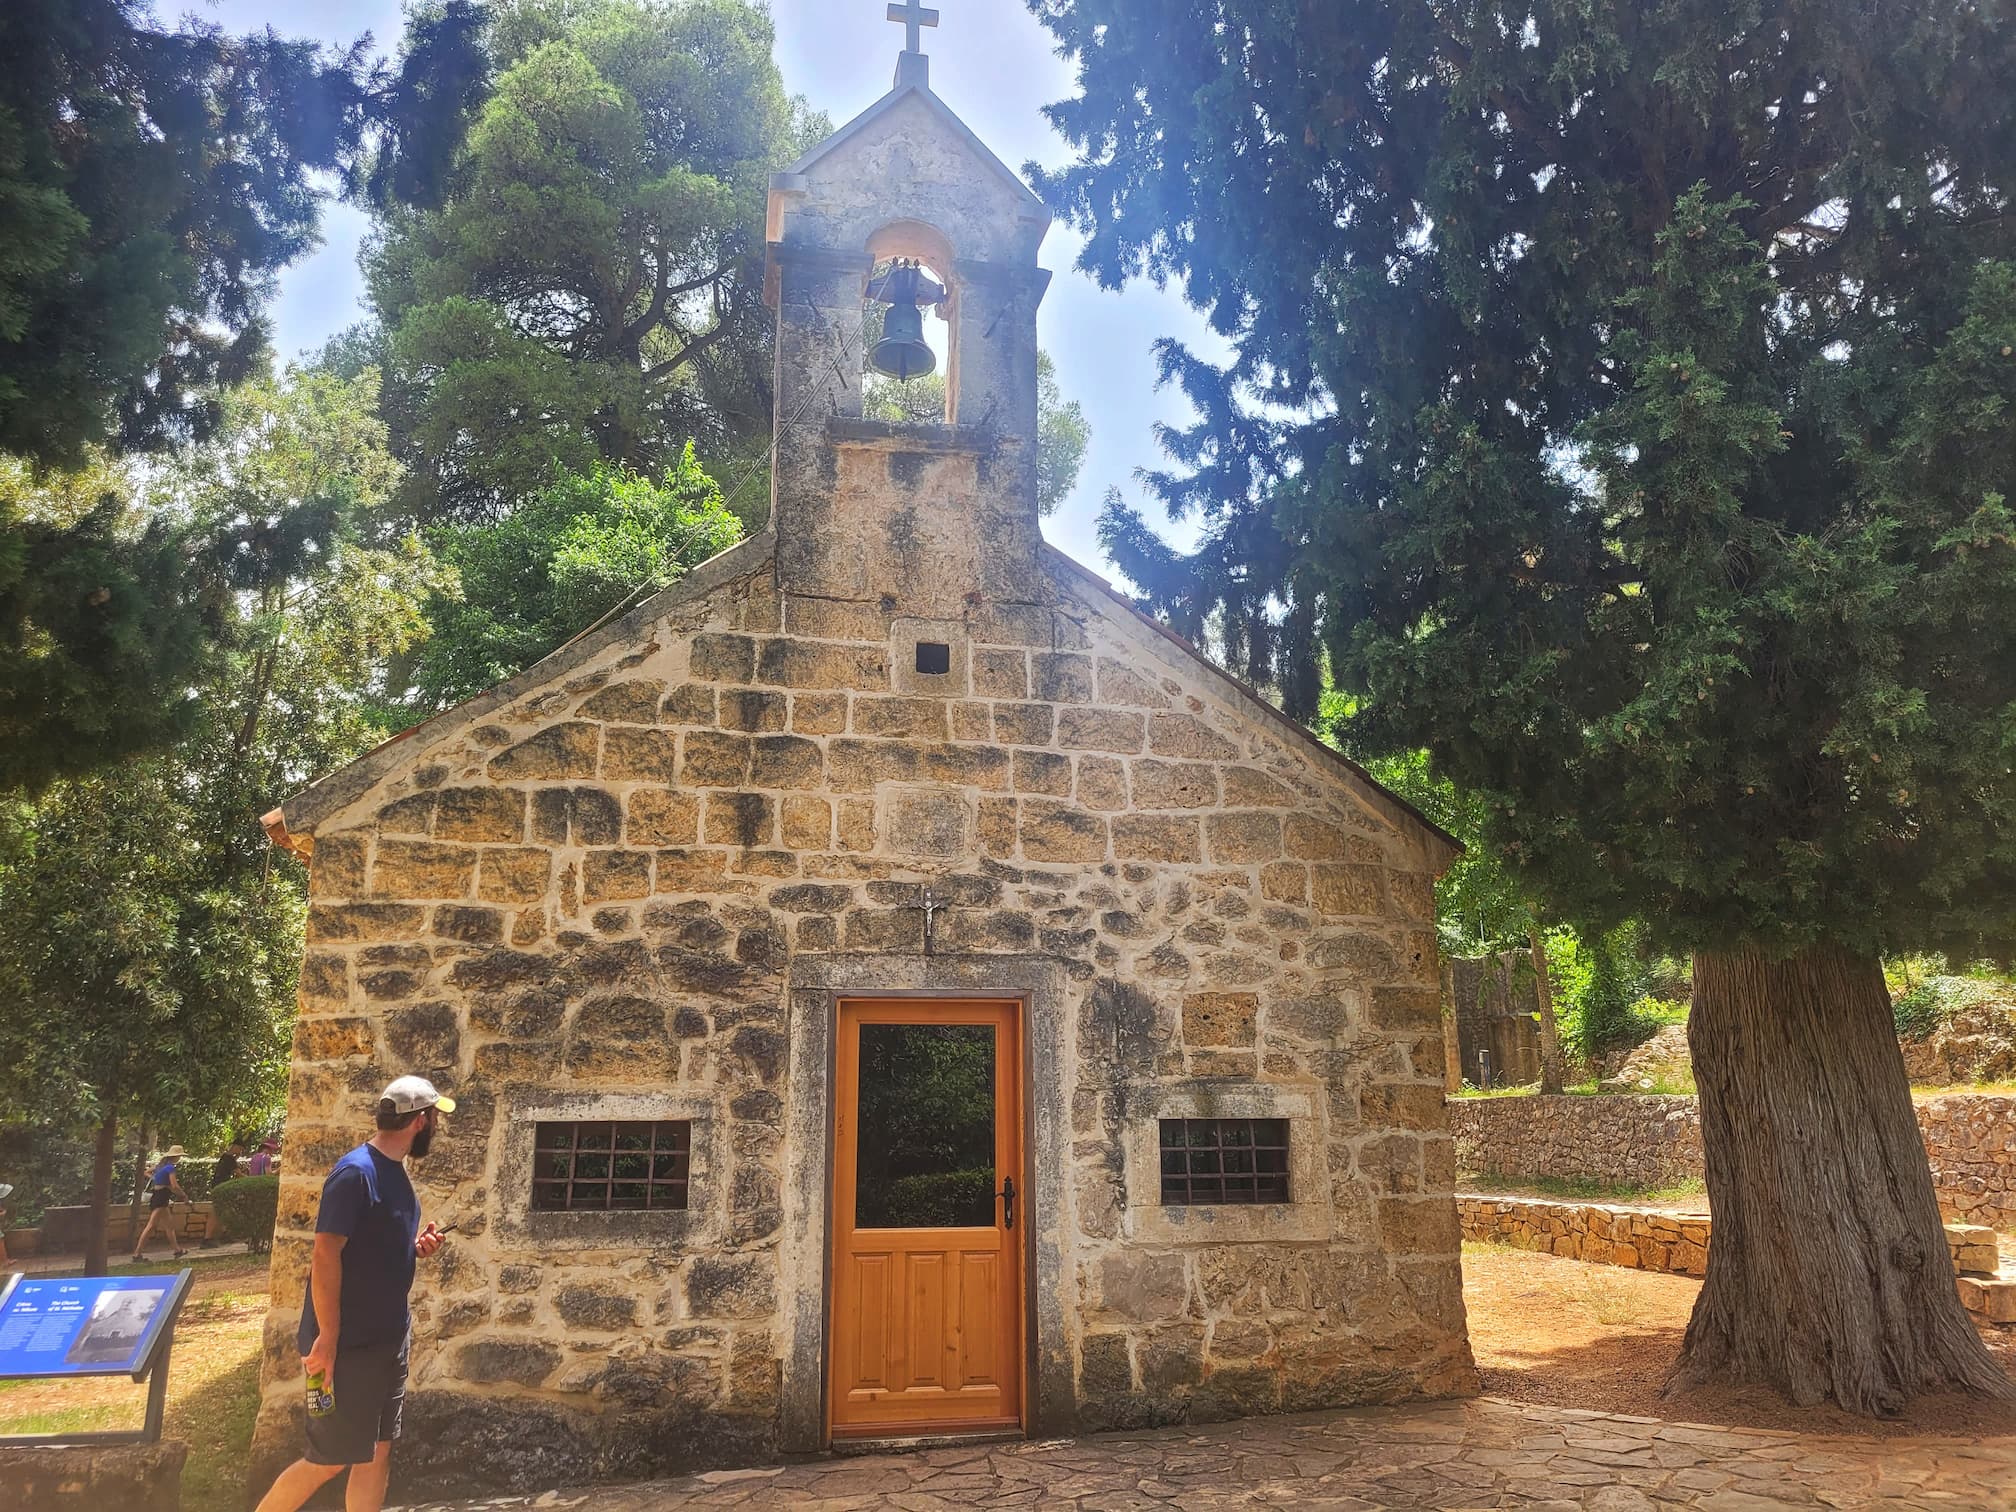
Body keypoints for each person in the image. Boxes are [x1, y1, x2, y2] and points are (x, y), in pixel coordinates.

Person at [254, 1076, 452, 1512]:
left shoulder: (395, 1173)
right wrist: (326, 1339)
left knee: (376, 1453)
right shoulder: (354, 1173)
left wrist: (414, 1246)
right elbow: (324, 1255)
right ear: (420, 1121)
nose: (436, 1125)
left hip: (387, 1343)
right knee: (328, 1460)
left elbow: (371, 1246)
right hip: (346, 1349)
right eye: (434, 1117)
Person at [131, 1146, 187, 1262]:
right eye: (179, 1156)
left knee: (169, 1226)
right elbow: (174, 1186)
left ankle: (177, 1250)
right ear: (175, 1156)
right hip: (162, 1198)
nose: (179, 1158)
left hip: (159, 1196)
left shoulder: (160, 1167)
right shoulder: (170, 1168)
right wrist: (183, 1195)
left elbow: (146, 1172)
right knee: (151, 1226)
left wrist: (155, 1179)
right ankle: (137, 1254)